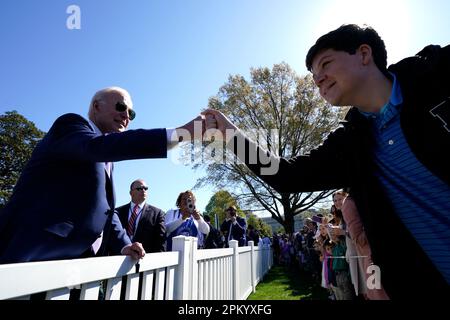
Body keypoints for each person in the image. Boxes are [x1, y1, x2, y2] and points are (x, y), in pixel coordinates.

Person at [204, 24, 450, 298]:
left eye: (326, 64)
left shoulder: (438, 75)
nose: (319, 79)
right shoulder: (350, 144)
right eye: (314, 77)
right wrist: (229, 134)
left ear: (364, 54)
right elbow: (286, 175)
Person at [0, 86, 205, 263]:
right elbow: (97, 147)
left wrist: (124, 244)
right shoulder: (71, 125)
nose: (126, 116)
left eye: (131, 114)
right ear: (97, 106)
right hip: (31, 256)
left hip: (78, 264)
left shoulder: (107, 159)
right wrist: (182, 133)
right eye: (121, 107)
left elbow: (106, 211)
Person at [114, 179, 166, 254]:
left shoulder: (157, 213)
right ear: (131, 193)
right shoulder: (117, 212)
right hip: (118, 258)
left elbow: (161, 241)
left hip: (145, 259)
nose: (143, 190)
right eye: (139, 189)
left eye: (145, 188)